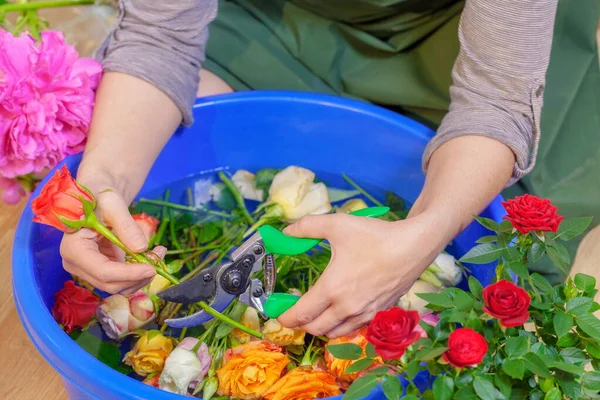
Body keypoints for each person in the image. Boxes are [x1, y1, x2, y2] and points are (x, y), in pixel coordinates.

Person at [60, 0, 561, 339]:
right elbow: (159, 35)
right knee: (178, 122)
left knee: (532, 226)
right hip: (280, 19)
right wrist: (102, 187)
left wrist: (420, 236)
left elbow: (495, 100)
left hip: (460, 35)